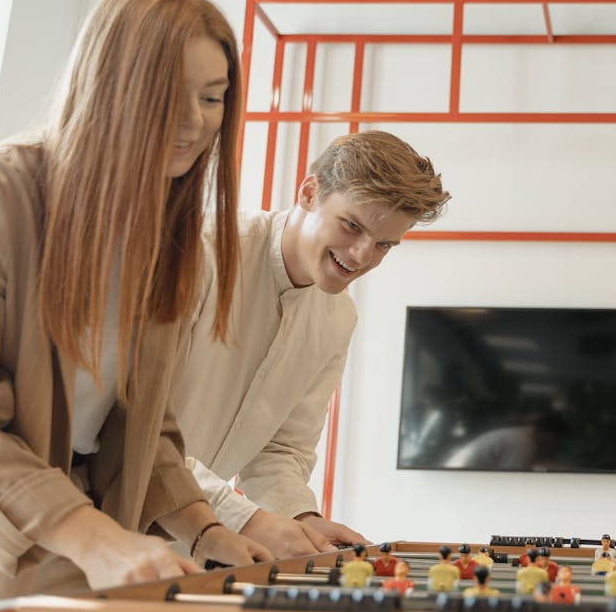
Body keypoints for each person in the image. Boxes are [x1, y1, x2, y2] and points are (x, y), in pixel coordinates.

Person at [0, 0, 273, 612]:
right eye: (168, 92)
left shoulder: (168, 238)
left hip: (76, 530)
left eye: (212, 94)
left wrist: (204, 529)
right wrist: (94, 537)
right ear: (109, 84)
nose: (194, 122)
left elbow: (141, 424)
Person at [173, 130, 449, 559]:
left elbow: (280, 448)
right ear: (308, 192)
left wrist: (301, 518)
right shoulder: (199, 255)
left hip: (189, 547)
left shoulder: (339, 318)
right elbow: (135, 430)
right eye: (351, 226)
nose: (361, 256)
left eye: (384, 245)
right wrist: (248, 520)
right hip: (92, 530)